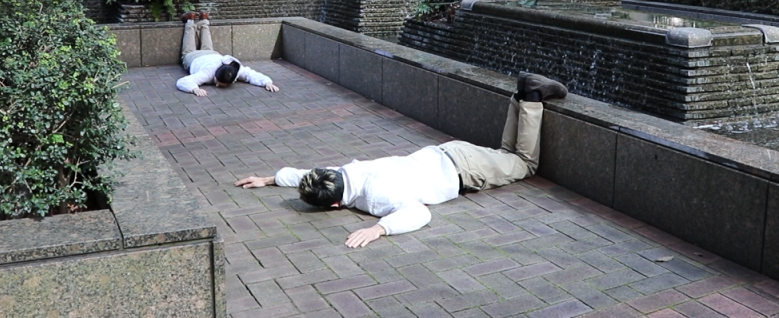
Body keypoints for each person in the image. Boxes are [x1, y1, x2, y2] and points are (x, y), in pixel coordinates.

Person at [235, 72, 568, 248]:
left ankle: (533, 94)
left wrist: (381, 228)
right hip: (449, 153)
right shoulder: (347, 171)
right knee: (505, 154)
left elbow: (419, 214)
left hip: (465, 170)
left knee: (523, 163)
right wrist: (269, 179)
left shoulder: (377, 199)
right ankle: (524, 93)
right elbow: (308, 173)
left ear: (335, 207)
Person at [175, 11, 280, 96]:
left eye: (220, 85)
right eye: (217, 82)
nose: (216, 85)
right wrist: (194, 89)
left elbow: (252, 75)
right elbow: (182, 81)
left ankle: (204, 20)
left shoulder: (236, 69)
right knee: (188, 51)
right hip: (194, 58)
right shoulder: (207, 73)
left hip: (211, 54)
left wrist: (267, 82)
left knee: (207, 46)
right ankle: (190, 21)